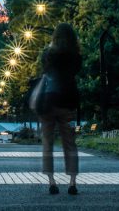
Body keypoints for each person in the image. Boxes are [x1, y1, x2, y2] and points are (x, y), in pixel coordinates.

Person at [38, 22, 82, 195]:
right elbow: (75, 72)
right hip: (68, 100)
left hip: (49, 100)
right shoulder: (76, 56)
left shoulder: (48, 54)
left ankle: (52, 182)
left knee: (47, 143)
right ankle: (72, 182)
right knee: (70, 144)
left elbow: (45, 71)